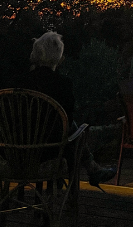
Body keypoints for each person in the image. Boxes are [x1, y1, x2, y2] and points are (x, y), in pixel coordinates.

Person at [24, 32, 118, 187]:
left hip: (13, 153)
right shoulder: (62, 84)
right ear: (59, 58)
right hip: (47, 154)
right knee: (74, 129)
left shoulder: (19, 82)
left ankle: (93, 168)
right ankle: (92, 169)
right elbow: (66, 119)